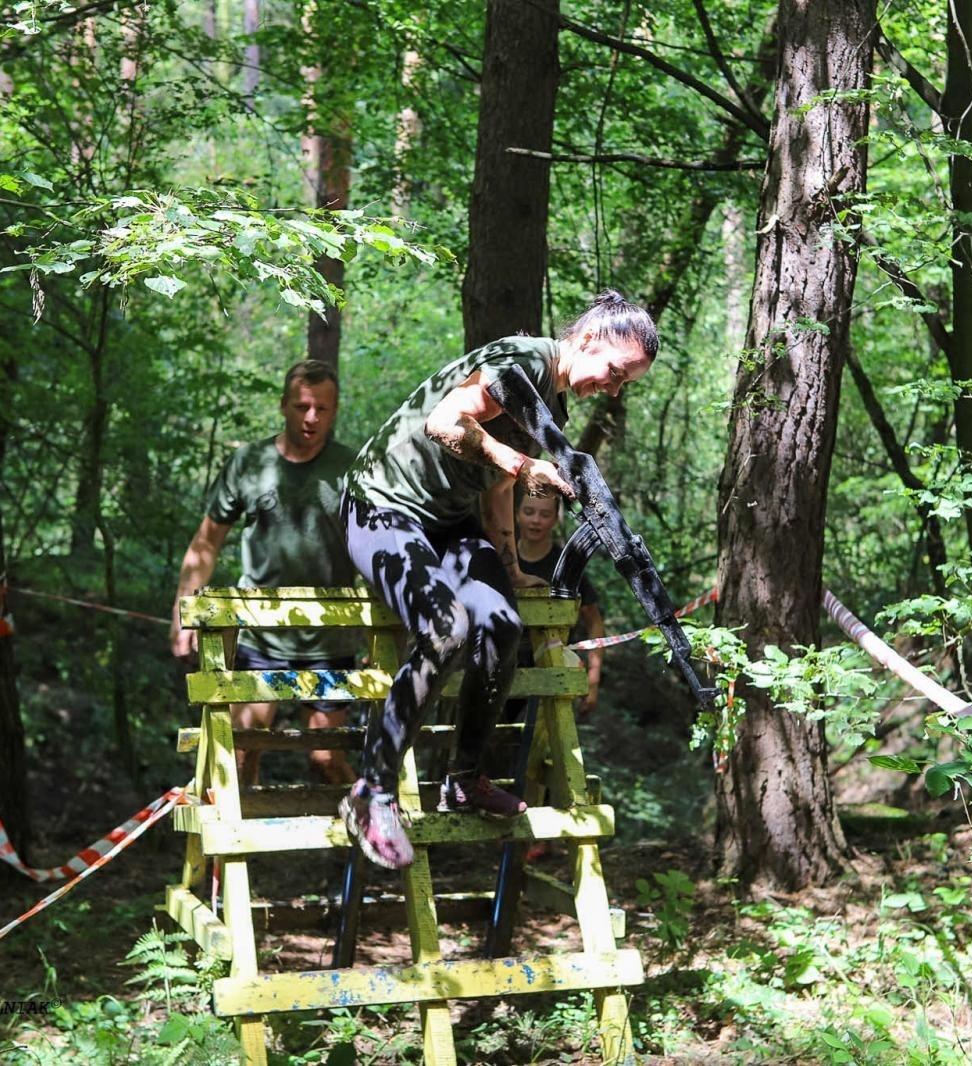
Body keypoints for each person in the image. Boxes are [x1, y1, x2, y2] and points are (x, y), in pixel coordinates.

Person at [336, 291, 658, 869]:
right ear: (588, 340)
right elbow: (444, 422)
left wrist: (507, 564)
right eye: (615, 373)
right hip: (382, 507)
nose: (613, 390)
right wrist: (522, 463)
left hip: (448, 521)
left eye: (623, 384)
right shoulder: (523, 358)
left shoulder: (552, 406)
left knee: (502, 625)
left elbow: (500, 485)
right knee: (445, 628)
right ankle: (372, 790)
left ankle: (464, 779)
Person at [171, 359, 360, 788]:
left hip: (329, 640)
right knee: (239, 757)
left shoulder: (352, 467)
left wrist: (385, 621)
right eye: (301, 406)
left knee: (326, 760)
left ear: (335, 410)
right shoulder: (249, 463)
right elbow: (206, 543)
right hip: (261, 637)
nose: (311, 417)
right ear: (283, 405)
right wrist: (183, 614)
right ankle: (238, 835)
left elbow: (377, 548)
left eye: (322, 409)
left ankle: (368, 819)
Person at [514, 492, 605, 715]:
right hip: (502, 668)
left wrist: (593, 679)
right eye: (529, 512)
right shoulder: (504, 559)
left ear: (555, 519)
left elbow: (594, 621)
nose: (536, 520)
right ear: (516, 515)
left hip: (553, 670)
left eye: (545, 514)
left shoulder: (566, 565)